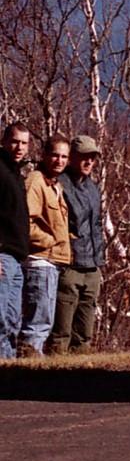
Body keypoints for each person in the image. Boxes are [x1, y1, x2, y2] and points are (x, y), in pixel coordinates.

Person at [48, 135, 105, 355]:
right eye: (84, 157)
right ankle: (54, 370)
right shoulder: (60, 184)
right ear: (72, 158)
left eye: (93, 157)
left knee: (84, 329)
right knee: (61, 327)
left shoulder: (93, 189)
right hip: (69, 264)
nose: (89, 162)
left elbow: (97, 225)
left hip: (92, 265)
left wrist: (99, 259)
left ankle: (81, 370)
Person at [18, 135, 71, 357]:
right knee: (37, 324)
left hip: (52, 263)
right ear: (45, 155)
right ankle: (27, 375)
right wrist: (50, 241)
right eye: (55, 155)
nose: (59, 160)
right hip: (39, 262)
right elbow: (26, 221)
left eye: (64, 157)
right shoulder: (36, 181)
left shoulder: (55, 184)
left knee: (44, 322)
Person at [0, 122, 30, 359]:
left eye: (24, 143)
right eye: (14, 141)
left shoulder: (16, 173)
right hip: (2, 255)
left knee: (12, 320)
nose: (19, 147)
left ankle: (8, 370)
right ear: (4, 141)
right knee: (0, 319)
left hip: (17, 257)